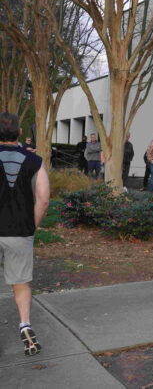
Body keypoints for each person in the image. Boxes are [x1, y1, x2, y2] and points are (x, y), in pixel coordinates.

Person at [0, 113, 50, 356]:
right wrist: (32, 227)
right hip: (20, 231)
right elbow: (43, 199)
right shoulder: (34, 160)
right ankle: (25, 324)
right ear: (20, 133)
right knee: (21, 283)